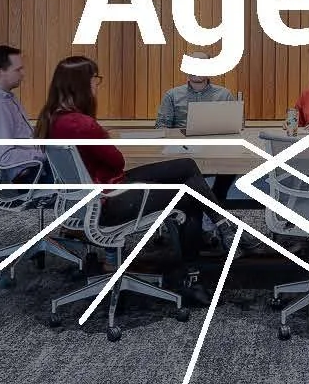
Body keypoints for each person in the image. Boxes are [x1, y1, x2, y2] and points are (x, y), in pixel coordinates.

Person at [35, 56, 237, 306]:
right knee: (189, 195)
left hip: (94, 195)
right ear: (80, 84)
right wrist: (102, 136)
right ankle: (192, 276)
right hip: (110, 201)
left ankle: (221, 225)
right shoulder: (83, 125)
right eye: (94, 80)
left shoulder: (54, 119)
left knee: (186, 166)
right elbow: (117, 162)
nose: (97, 85)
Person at [0, 46, 44, 198]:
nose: (23, 74)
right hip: (28, 175)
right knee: (83, 176)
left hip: (34, 169)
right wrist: (41, 155)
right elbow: (5, 156)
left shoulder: (7, 98)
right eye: (18, 70)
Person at [154, 74, 237, 129]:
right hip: (181, 146)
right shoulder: (172, 95)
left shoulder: (225, 95)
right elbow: (162, 126)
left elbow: (233, 126)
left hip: (216, 146)